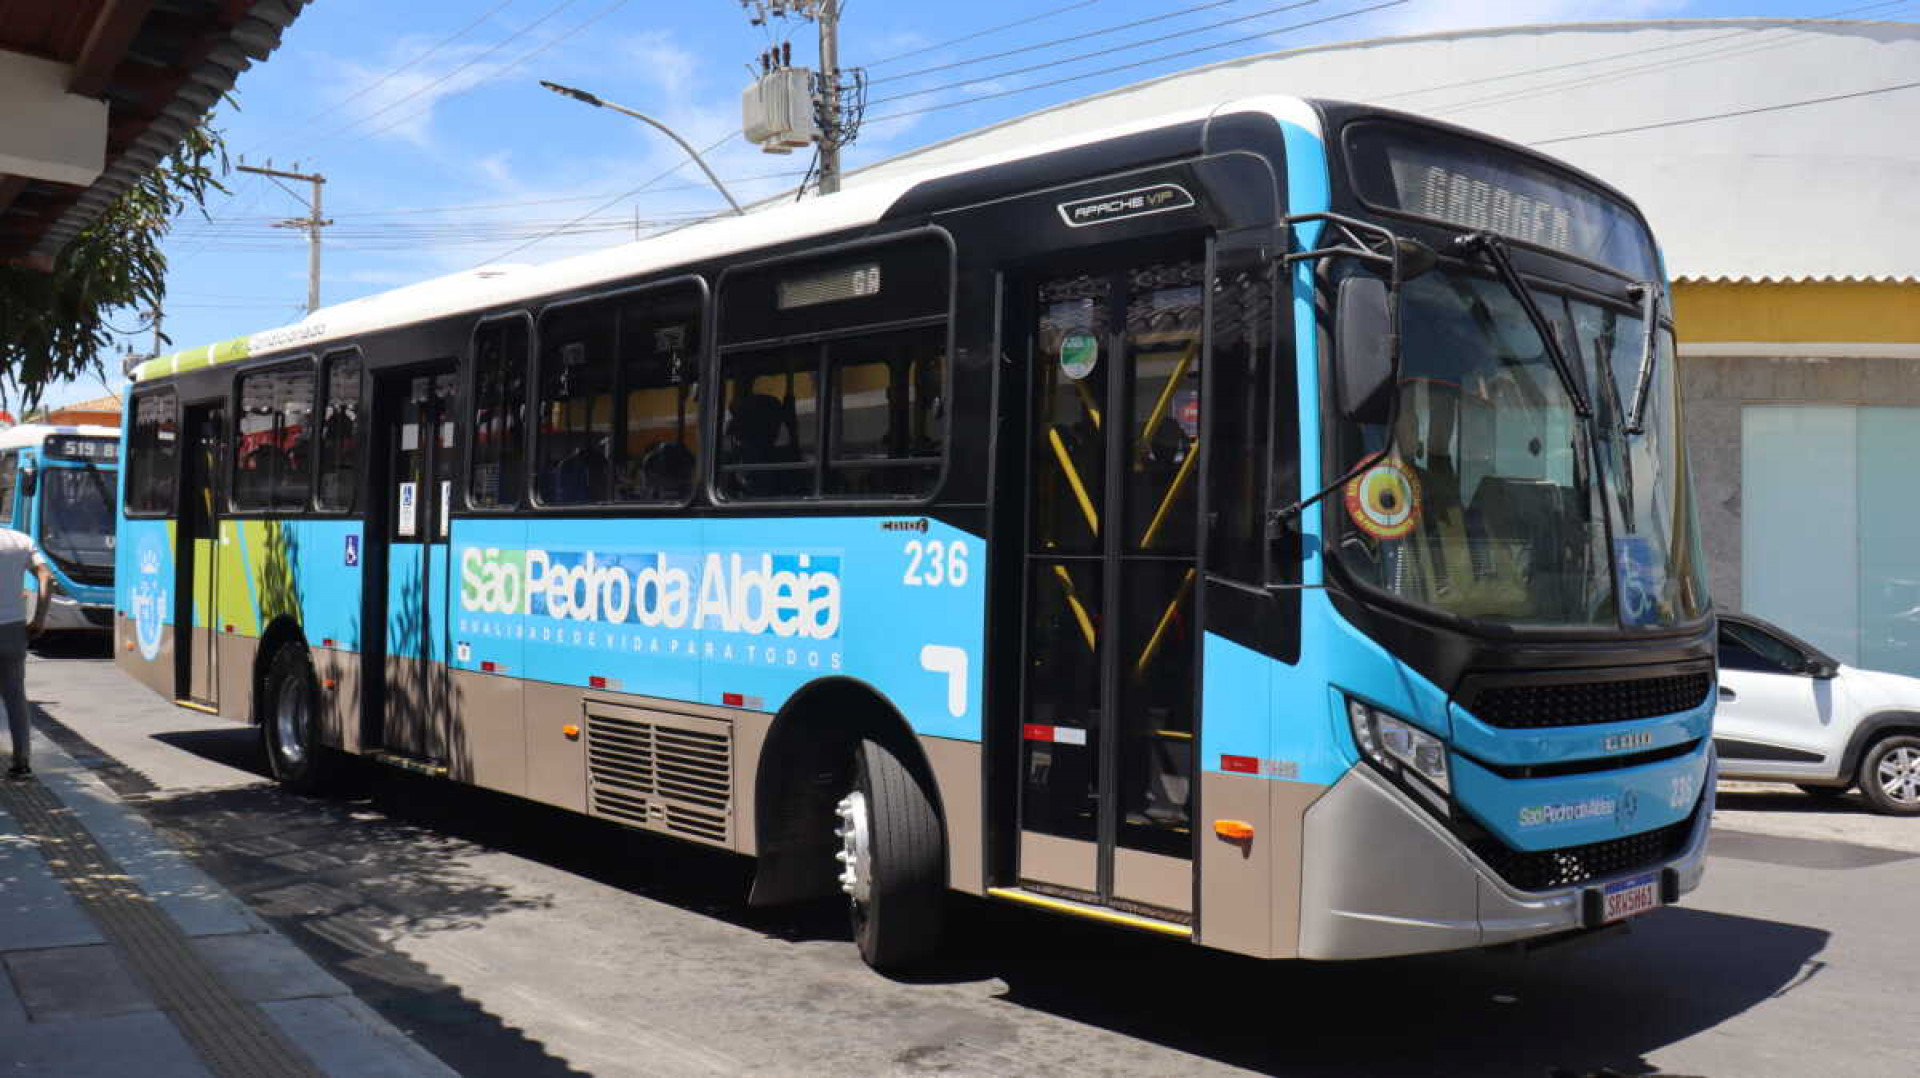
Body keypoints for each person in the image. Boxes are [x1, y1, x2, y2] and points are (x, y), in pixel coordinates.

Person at [0, 527, 52, 779]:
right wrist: (39, 618)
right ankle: (22, 761)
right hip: (13, 629)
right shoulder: (20, 541)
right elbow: (45, 576)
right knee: (15, 696)